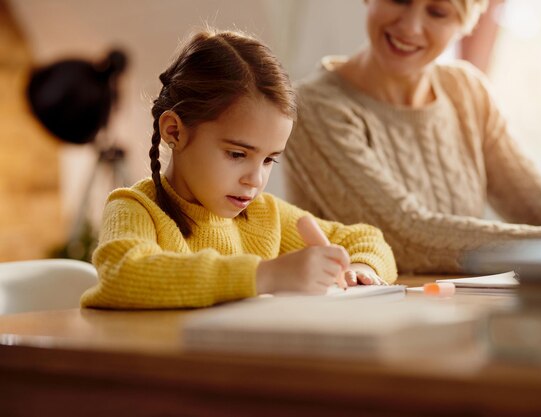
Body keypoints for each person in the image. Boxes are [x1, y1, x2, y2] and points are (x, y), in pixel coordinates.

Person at [284, 0, 541, 274]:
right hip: (366, 315)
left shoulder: (466, 91)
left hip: (455, 304)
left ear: (464, 23)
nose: (410, 26)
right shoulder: (315, 106)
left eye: (438, 11)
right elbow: (405, 235)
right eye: (399, 0)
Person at [80, 29, 397, 309]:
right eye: (236, 154)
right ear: (174, 132)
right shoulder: (137, 209)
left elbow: (367, 239)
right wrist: (265, 276)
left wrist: (360, 267)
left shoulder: (265, 215)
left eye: (269, 160)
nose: (255, 179)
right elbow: (123, 274)